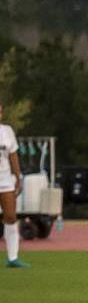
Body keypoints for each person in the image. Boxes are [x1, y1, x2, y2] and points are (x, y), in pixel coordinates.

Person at [0, 101, 29, 268]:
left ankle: (12, 258)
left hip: (5, 180)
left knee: (10, 216)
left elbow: (13, 155)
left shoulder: (7, 131)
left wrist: (18, 177)